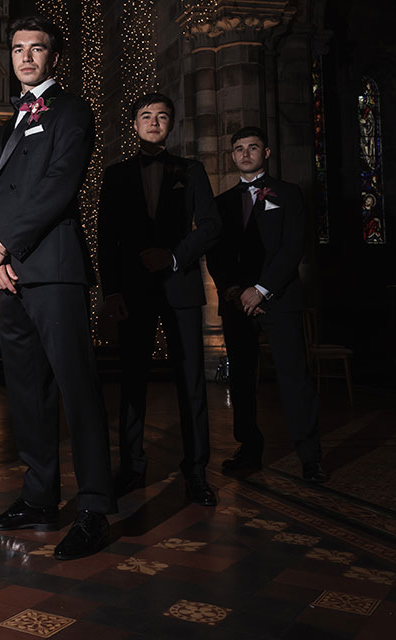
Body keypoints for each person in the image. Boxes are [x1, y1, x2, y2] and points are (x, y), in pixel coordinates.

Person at [0, 15, 116, 561]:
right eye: (17, 49)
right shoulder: (8, 123)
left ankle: (94, 508)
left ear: (54, 58)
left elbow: (59, 187)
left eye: (36, 49)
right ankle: (38, 498)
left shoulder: (72, 110)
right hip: (9, 276)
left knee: (76, 388)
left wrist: (3, 245)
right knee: (27, 393)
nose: (26, 58)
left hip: (54, 269)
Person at [98, 94, 222, 506]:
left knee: (191, 384)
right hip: (132, 292)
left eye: (162, 117)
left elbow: (210, 227)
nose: (154, 122)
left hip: (181, 287)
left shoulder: (192, 170)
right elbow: (106, 239)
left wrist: (172, 255)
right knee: (133, 380)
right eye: (146, 116)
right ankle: (132, 467)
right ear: (134, 124)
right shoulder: (115, 175)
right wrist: (111, 290)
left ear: (171, 125)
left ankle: (196, 470)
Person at [205, 126, 327, 483]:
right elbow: (216, 253)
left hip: (280, 299)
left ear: (267, 153)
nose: (245, 154)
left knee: (295, 378)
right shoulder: (222, 202)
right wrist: (233, 291)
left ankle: (310, 457)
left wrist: (261, 289)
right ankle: (248, 449)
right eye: (239, 149)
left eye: (252, 148)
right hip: (236, 303)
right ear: (232, 156)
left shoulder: (289, 194)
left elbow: (293, 247)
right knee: (242, 379)